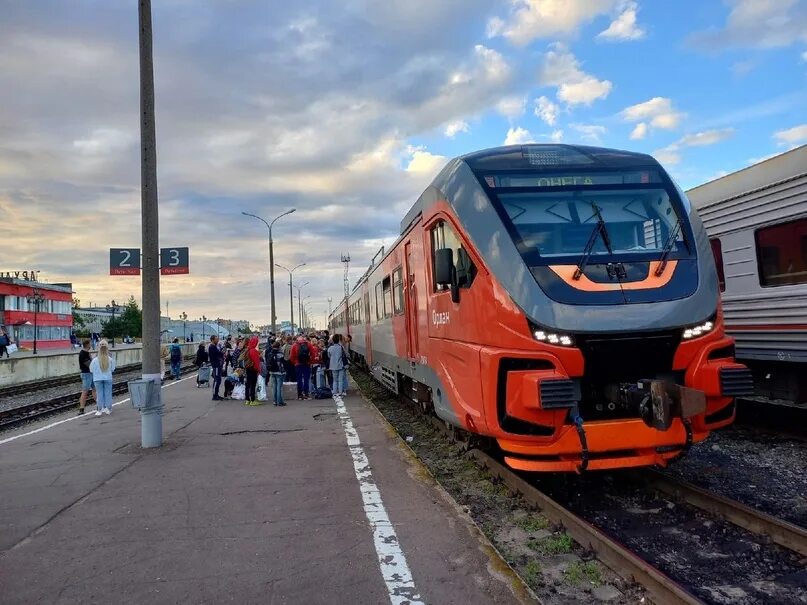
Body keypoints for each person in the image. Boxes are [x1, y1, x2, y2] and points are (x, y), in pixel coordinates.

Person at [89, 340, 116, 416]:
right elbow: (113, 369)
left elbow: (91, 370)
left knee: (99, 394)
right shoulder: (110, 359)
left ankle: (99, 410)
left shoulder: (94, 360)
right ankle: (108, 409)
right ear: (107, 348)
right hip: (108, 378)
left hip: (97, 379)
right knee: (108, 393)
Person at [290, 336, 312, 400]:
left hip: (298, 364)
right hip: (306, 364)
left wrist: (295, 363)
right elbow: (313, 354)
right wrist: (310, 361)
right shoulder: (308, 344)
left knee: (299, 379)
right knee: (306, 380)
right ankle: (306, 394)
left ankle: (300, 394)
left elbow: (291, 357)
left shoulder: (294, 345)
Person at [265, 339, 286, 406]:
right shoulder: (280, 354)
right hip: (279, 372)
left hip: (272, 372)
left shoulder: (270, 354)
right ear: (279, 347)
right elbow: (284, 363)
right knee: (279, 387)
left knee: (274, 387)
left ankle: (274, 401)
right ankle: (280, 401)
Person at [78, 338, 95, 415]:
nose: (91, 345)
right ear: (87, 345)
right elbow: (89, 365)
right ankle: (81, 408)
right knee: (85, 391)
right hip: (86, 374)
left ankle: (99, 404)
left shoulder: (87, 353)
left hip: (90, 373)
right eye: (90, 344)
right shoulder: (83, 354)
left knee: (95, 389)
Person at [244, 336, 261, 405]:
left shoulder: (248, 349)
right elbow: (256, 362)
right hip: (253, 369)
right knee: (253, 385)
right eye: (257, 342)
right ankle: (253, 400)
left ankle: (247, 400)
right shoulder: (254, 351)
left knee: (248, 384)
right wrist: (258, 370)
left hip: (248, 368)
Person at [208, 335, 223, 400]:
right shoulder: (212, 347)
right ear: (213, 340)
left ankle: (216, 394)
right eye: (216, 339)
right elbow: (219, 353)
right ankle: (215, 395)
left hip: (217, 365)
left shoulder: (214, 346)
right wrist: (222, 352)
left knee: (218, 379)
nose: (217, 340)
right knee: (217, 380)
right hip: (216, 365)